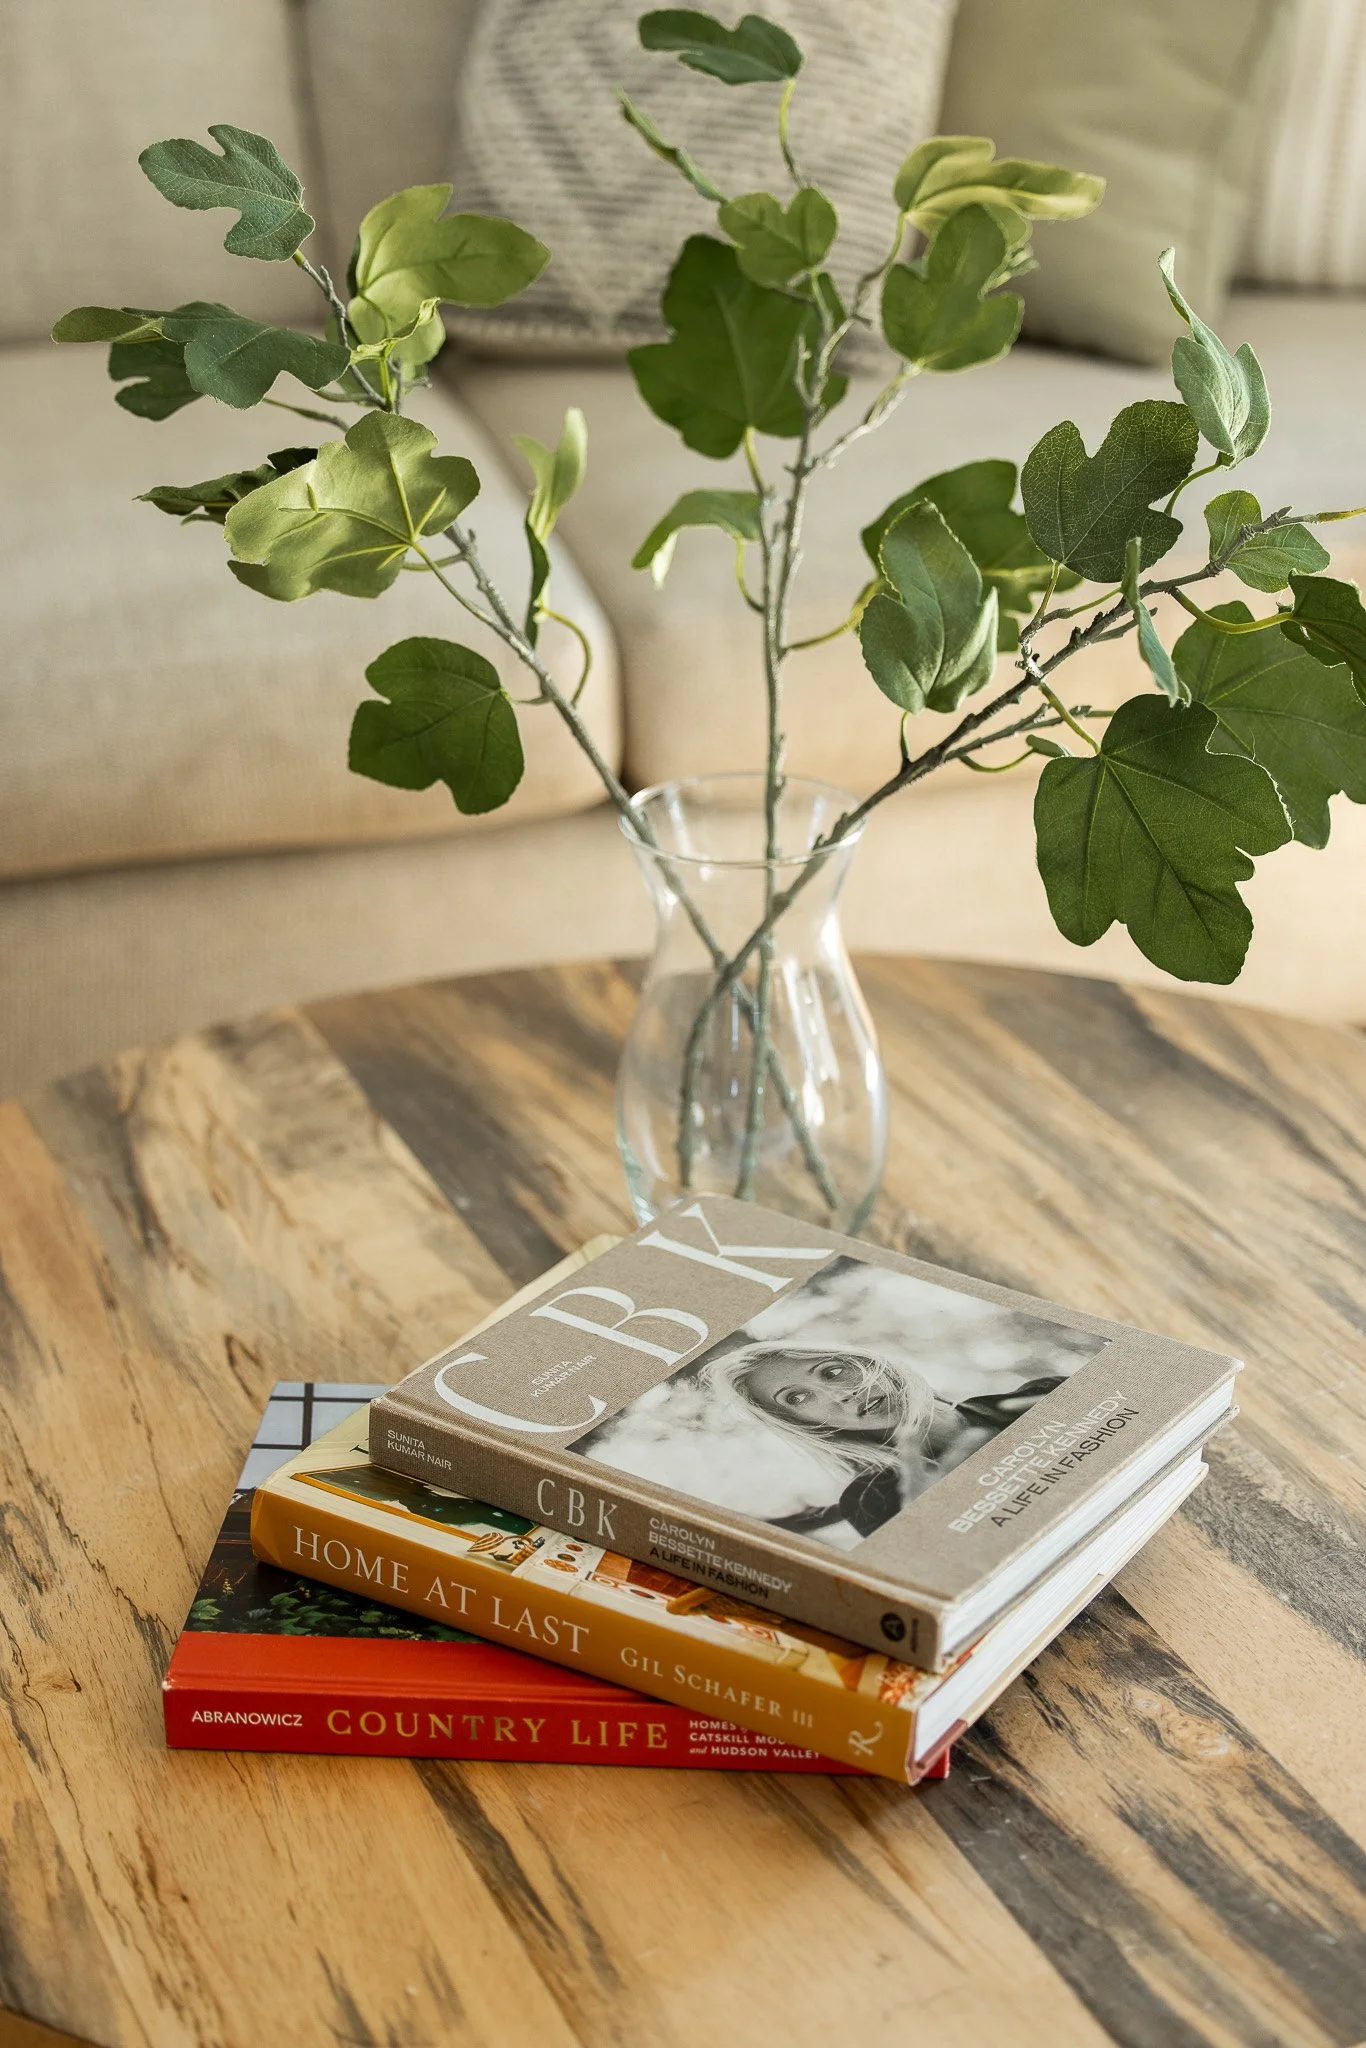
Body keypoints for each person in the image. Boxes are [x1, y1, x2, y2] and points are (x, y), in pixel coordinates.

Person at [710, 1341, 1065, 1540]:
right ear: (802, 1423)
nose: (842, 1395)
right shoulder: (871, 1500)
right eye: (798, 1399)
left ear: (866, 1361)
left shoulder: (1044, 1393)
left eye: (832, 1371)